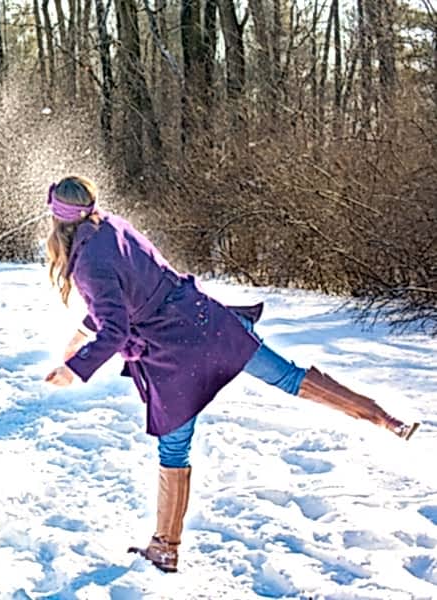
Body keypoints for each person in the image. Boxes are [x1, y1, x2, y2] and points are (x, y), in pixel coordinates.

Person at [42, 175, 420, 573]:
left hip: (173, 353)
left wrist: (74, 369)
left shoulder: (87, 263)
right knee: (289, 378)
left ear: (57, 218)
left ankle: (165, 548)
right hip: (208, 320)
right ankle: (384, 418)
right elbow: (132, 290)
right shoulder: (114, 227)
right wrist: (82, 334)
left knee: (174, 448)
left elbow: (116, 327)